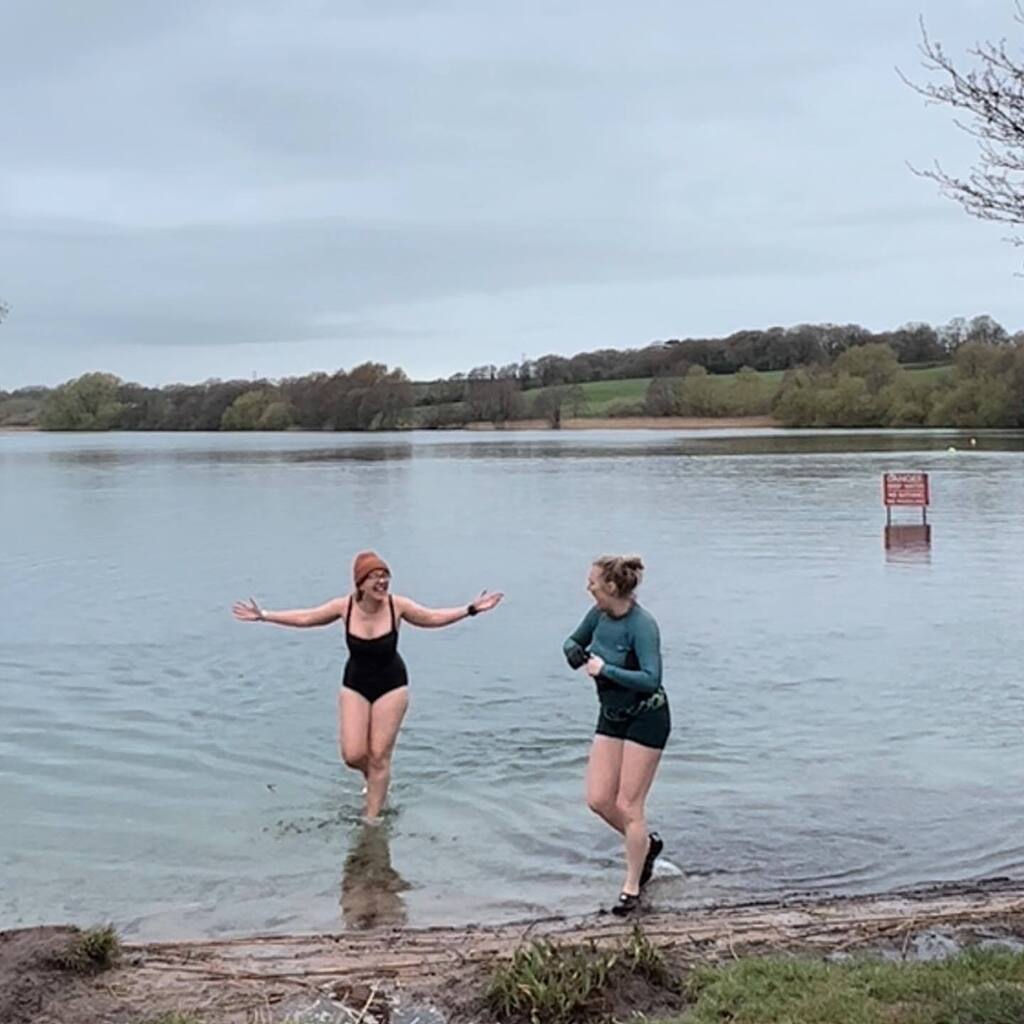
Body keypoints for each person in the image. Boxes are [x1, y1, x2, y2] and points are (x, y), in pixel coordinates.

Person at [233, 550, 503, 820]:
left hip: (392, 685)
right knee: (353, 754)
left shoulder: (398, 606)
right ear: (360, 583)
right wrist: (265, 615)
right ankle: (376, 778)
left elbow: (431, 618)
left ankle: (371, 820)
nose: (382, 582)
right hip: (355, 684)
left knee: (379, 754)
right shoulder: (345, 607)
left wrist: (470, 610)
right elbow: (307, 617)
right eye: (375, 577)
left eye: (385, 576)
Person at [563, 555, 670, 915]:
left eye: (592, 581)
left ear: (611, 586)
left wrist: (606, 669)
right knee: (598, 799)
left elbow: (651, 678)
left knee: (629, 805)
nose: (587, 586)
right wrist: (574, 653)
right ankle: (645, 845)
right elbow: (572, 642)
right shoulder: (598, 615)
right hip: (612, 714)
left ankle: (631, 888)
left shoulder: (642, 625)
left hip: (647, 717)